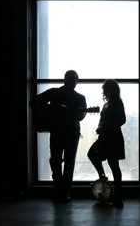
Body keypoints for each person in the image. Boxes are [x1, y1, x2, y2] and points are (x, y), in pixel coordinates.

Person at [29, 70, 87, 201]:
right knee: (67, 162)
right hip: (71, 132)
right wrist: (44, 114)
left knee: (56, 160)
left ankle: (59, 189)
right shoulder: (79, 97)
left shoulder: (55, 93)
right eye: (71, 80)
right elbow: (80, 117)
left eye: (72, 80)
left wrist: (44, 114)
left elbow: (33, 102)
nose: (72, 82)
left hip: (59, 131)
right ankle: (65, 191)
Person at [88, 79, 126, 208]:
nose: (103, 91)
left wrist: (105, 129)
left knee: (113, 164)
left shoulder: (116, 103)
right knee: (109, 162)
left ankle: (117, 194)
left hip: (112, 137)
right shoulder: (110, 103)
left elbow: (122, 120)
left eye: (105, 89)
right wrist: (101, 128)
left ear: (109, 90)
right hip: (107, 137)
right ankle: (110, 185)